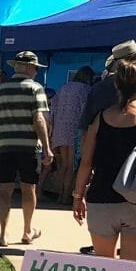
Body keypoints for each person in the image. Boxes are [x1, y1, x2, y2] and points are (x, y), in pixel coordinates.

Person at [72, 59, 136, 260]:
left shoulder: (99, 119)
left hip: (101, 198)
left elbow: (86, 162)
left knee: (104, 267)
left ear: (117, 85)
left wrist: (78, 196)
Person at [0, 52, 52, 245]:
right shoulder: (35, 88)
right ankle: (27, 230)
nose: (35, 71)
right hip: (28, 146)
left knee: (4, 190)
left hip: (4, 146)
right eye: (34, 68)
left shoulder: (0, 90)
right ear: (26, 68)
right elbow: (39, 119)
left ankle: (3, 234)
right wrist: (47, 148)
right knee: (29, 188)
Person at [46, 66, 93, 201]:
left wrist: (52, 131)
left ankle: (59, 194)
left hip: (59, 130)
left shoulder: (64, 88)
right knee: (71, 167)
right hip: (74, 130)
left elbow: (53, 108)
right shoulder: (86, 90)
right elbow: (86, 110)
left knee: (63, 166)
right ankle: (66, 195)